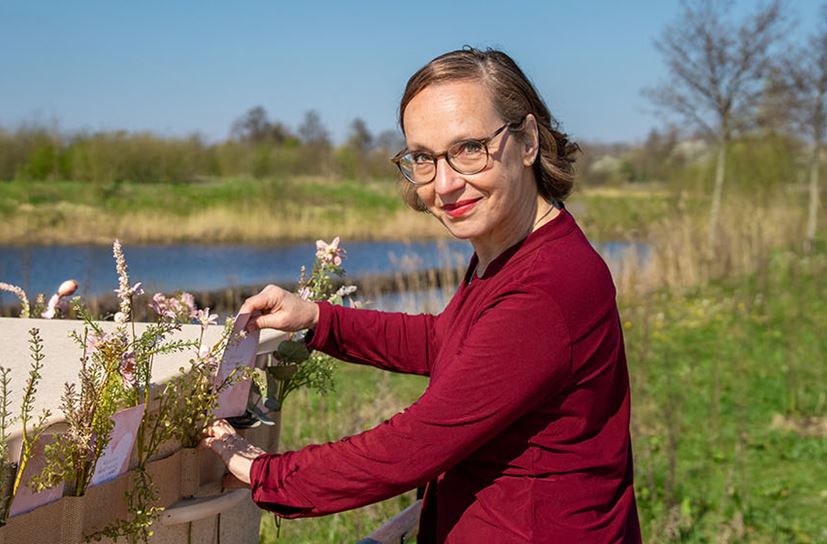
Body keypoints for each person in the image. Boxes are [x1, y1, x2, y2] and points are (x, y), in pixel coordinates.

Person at [202, 47, 641, 542]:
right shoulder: (512, 251)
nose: (445, 184)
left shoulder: (548, 286)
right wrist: (318, 319)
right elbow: (446, 342)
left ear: (528, 141)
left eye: (469, 148)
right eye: (425, 158)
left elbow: (414, 446)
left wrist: (264, 472)